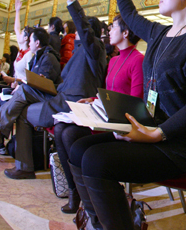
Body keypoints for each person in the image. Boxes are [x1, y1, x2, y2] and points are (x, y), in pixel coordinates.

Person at [66, 0, 186, 229]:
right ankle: (98, 222)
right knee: (77, 145)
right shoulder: (159, 34)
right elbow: (129, 14)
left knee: (94, 159)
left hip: (179, 143)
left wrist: (156, 134)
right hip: (149, 128)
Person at [0, 0, 107, 178]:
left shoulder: (94, 49)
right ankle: (18, 160)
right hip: (59, 96)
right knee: (23, 104)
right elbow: (63, 82)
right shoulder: (79, 53)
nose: (76, 31)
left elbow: (85, 31)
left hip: (72, 103)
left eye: (80, 29)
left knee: (23, 95)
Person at [54, 13, 144, 214]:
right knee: (60, 127)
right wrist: (93, 100)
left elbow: (136, 102)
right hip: (106, 118)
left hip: (120, 124)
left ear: (126, 32)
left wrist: (107, 111)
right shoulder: (113, 61)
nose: (109, 31)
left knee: (69, 134)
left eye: (113, 27)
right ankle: (75, 190)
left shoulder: (138, 60)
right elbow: (110, 95)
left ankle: (88, 196)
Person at [0, 28, 62, 164]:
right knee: (8, 100)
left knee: (20, 93)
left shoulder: (49, 58)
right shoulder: (39, 56)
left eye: (31, 41)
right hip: (34, 96)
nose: (29, 43)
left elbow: (45, 86)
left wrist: (28, 82)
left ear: (37, 42)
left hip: (44, 100)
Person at [0, 0, 34, 122]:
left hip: (20, 88)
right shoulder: (21, 50)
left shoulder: (29, 55)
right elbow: (16, 28)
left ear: (27, 38)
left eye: (22, 33)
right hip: (13, 84)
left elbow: (30, 79)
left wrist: (14, 80)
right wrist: (17, 11)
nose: (19, 34)